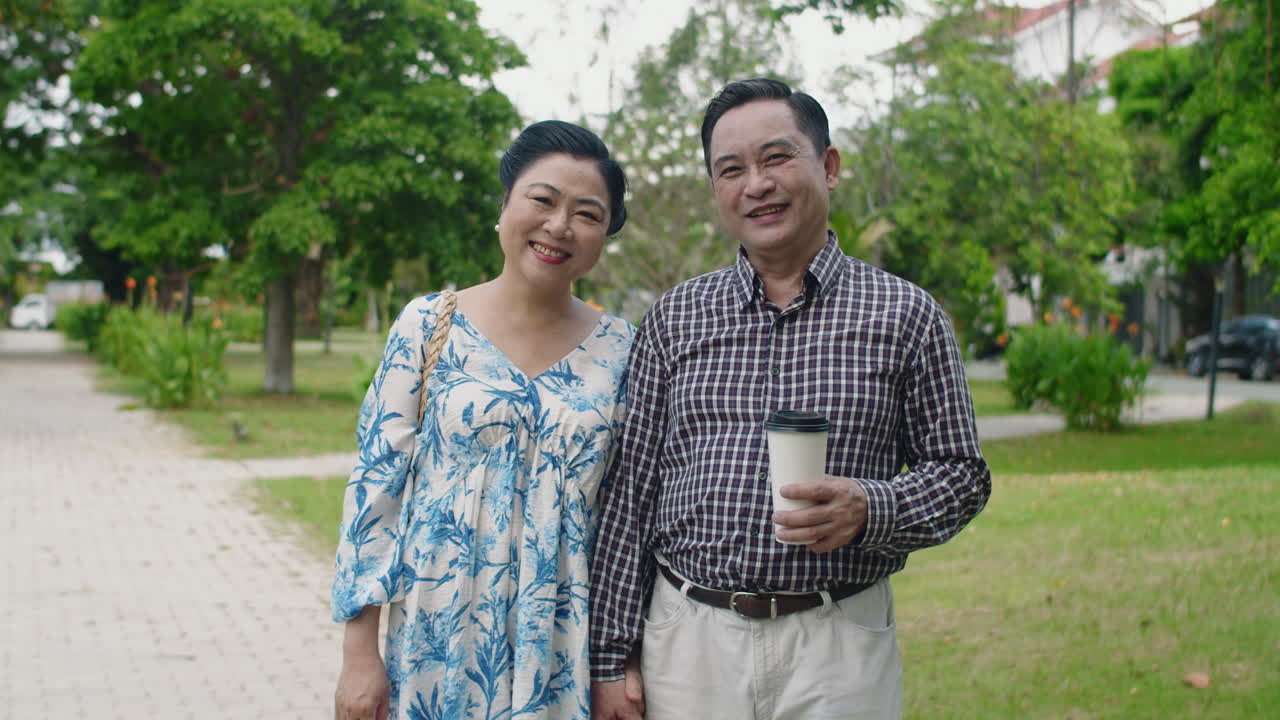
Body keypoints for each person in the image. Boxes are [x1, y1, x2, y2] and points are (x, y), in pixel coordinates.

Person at [588, 78, 992, 720]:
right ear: (716, 189)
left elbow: (962, 474)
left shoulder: (906, 315)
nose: (757, 184)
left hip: (838, 639)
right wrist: (610, 659)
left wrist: (872, 507)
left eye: (777, 158)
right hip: (690, 640)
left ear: (828, 167)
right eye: (731, 169)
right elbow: (632, 494)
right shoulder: (675, 318)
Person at [332, 120, 634, 720]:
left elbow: (631, 515)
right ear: (503, 207)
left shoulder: (624, 350)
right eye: (543, 200)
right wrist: (359, 653)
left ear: (604, 235)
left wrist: (619, 662)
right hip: (436, 636)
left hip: (562, 643)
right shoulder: (428, 325)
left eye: (587, 214)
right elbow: (376, 488)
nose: (560, 226)